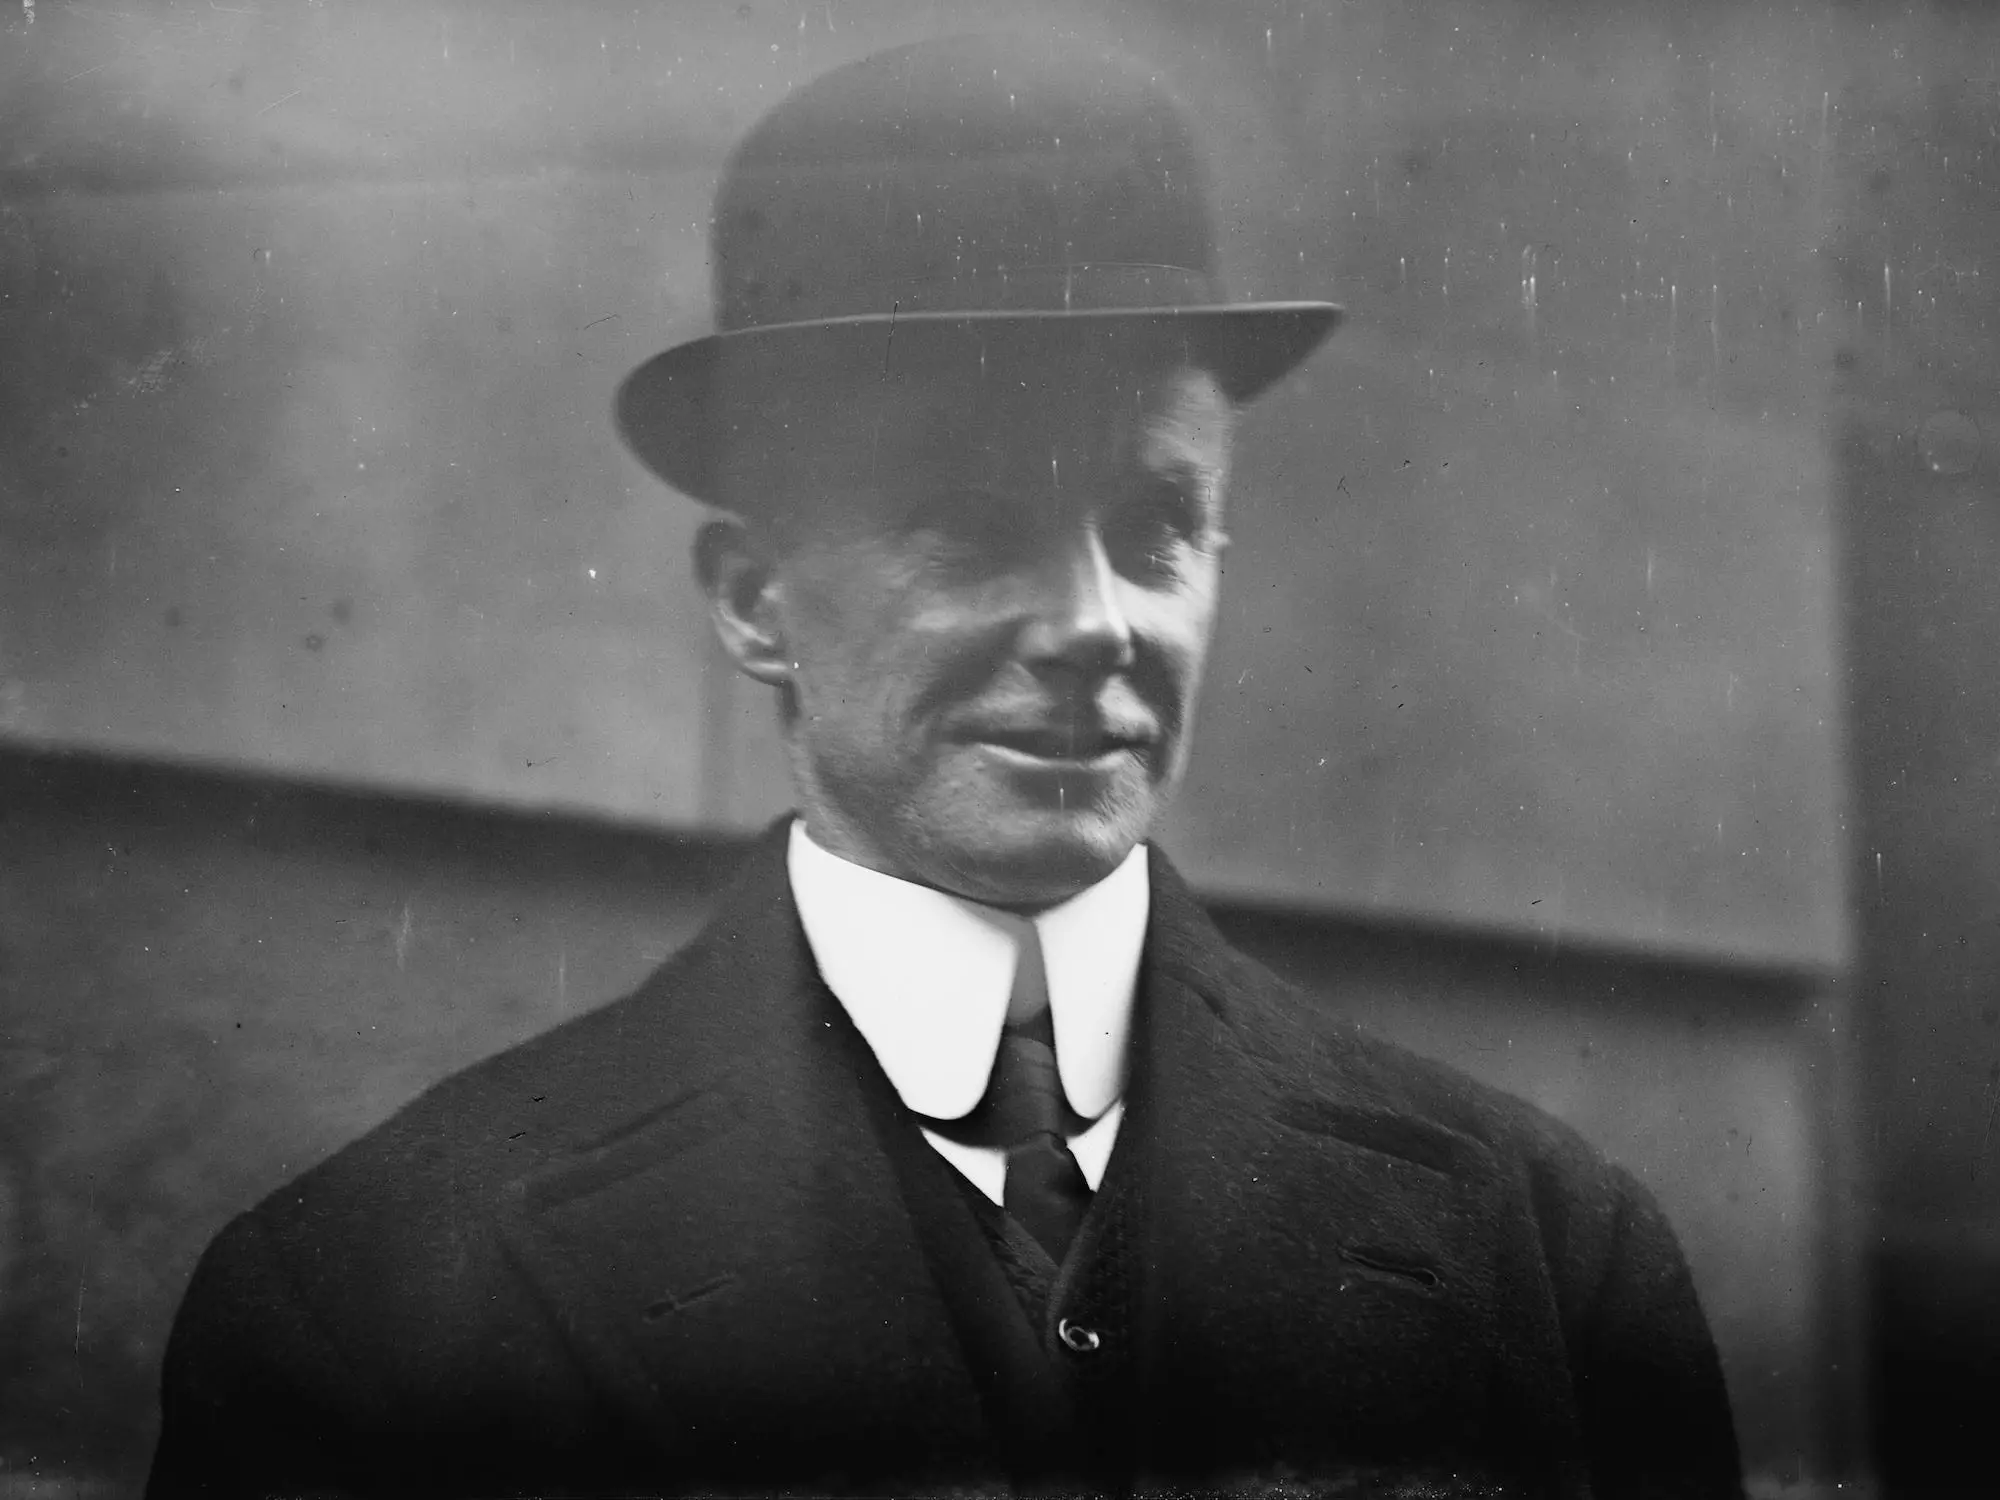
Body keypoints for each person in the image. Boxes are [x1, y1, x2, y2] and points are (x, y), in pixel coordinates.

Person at [148, 34, 1744, 1500]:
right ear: (756, 600)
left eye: (1154, 526)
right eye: (977, 525)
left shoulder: (1548, 1255)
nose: (1094, 624)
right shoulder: (379, 1303)